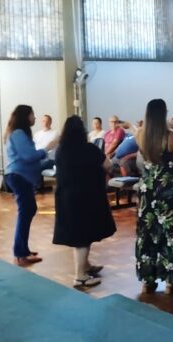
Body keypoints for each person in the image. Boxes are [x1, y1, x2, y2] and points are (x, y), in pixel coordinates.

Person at [53, 116, 116, 288]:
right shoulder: (88, 149)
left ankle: (86, 266)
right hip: (85, 197)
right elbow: (108, 165)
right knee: (83, 236)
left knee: (78, 234)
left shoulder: (60, 150)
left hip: (65, 197)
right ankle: (80, 276)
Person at [135, 99, 173, 294]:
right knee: (171, 232)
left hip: (148, 188)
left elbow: (142, 159)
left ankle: (148, 280)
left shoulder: (140, 135)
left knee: (149, 232)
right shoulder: (170, 135)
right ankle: (170, 281)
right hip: (168, 190)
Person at [4, 105, 57, 266]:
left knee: (28, 211)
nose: (35, 118)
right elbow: (28, 156)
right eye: (33, 115)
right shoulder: (19, 133)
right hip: (19, 176)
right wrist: (48, 148)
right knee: (25, 212)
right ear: (25, 116)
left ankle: (23, 249)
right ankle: (20, 254)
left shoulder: (18, 133)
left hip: (21, 176)